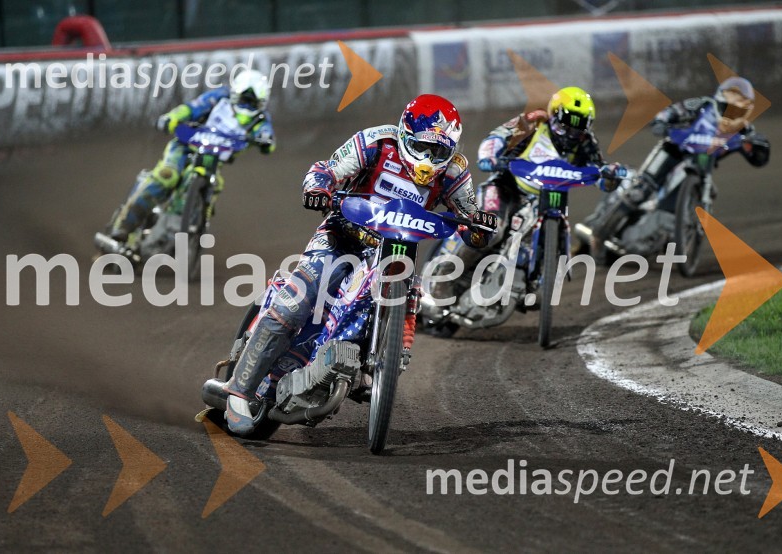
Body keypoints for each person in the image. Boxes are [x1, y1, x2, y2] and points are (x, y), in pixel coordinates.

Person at [223, 94, 497, 435]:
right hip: (343, 237)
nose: (429, 160)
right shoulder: (374, 142)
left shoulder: (455, 171)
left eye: (438, 152)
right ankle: (240, 389)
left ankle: (379, 365)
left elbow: (471, 219)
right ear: (404, 133)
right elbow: (327, 169)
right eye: (423, 148)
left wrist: (481, 226)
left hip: (397, 254)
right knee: (300, 298)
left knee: (413, 296)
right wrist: (319, 187)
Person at [420, 86, 625, 319]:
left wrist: (610, 176)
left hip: (548, 197)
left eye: (579, 123)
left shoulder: (586, 141)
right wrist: (490, 156)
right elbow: (498, 136)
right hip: (507, 186)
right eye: (568, 120)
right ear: (555, 113)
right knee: (491, 230)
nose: (571, 129)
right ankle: (443, 278)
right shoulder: (533, 122)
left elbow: (600, 171)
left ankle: (533, 278)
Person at [582, 76, 770, 250]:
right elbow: (672, 111)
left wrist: (756, 148)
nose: (732, 115)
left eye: (738, 111)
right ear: (719, 102)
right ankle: (599, 234)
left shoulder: (743, 129)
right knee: (639, 190)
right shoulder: (703, 105)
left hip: (700, 166)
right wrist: (662, 121)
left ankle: (677, 232)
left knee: (709, 191)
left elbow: (759, 156)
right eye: (728, 108)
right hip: (672, 150)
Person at [103, 69, 276, 243]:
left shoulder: (260, 119)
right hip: (185, 146)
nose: (247, 106)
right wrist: (171, 117)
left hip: (211, 160)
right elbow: (192, 108)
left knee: (215, 185)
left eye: (253, 102)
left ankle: (192, 230)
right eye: (244, 100)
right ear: (234, 94)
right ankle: (124, 225)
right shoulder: (219, 97)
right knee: (167, 175)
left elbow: (267, 135)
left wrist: (266, 140)